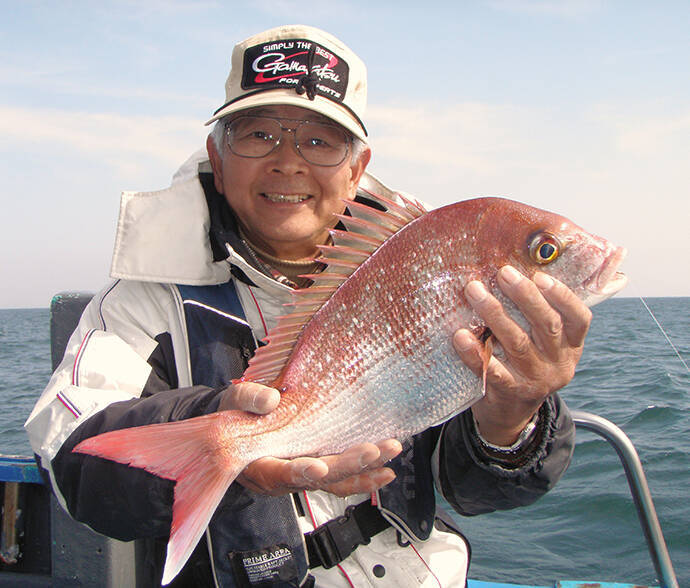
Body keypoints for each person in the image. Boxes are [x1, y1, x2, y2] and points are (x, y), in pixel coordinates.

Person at [26, 24, 587, 587]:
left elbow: (473, 491)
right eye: (257, 134)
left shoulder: (427, 277)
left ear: (357, 170)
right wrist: (223, 438)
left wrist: (511, 418)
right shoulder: (141, 304)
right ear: (217, 161)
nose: (288, 162)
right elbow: (73, 461)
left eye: (320, 141)